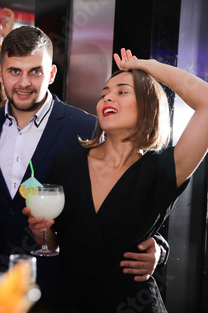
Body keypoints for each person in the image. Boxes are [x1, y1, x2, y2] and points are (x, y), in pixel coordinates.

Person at [0, 26, 167, 303]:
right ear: (0, 73)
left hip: (61, 284)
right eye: (14, 71)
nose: (24, 82)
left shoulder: (87, 128)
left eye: (35, 71)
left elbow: (135, 193)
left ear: (51, 74)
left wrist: (159, 246)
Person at [25, 49, 208, 312]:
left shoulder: (165, 168)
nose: (108, 97)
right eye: (103, 94)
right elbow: (54, 245)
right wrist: (42, 233)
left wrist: (149, 66)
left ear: (148, 105)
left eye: (122, 91)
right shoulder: (67, 163)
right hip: (73, 301)